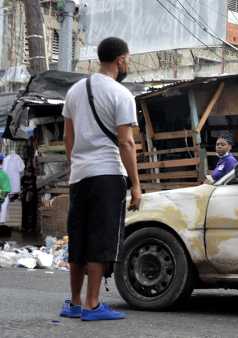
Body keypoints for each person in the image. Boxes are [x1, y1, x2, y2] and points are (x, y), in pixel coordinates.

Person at [60, 37, 141, 321]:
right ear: (120, 60)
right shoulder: (122, 95)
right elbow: (126, 143)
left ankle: (74, 302)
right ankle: (93, 305)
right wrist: (136, 185)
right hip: (107, 174)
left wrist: (77, 166)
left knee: (79, 238)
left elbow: (68, 138)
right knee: (101, 238)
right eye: (128, 59)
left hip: (79, 176)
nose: (128, 64)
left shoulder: (74, 91)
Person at [20, 166, 37, 233]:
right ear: (27, 171)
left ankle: (32, 228)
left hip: (33, 197)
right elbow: (19, 187)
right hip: (25, 196)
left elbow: (39, 187)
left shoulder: (35, 178)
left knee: (33, 213)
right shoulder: (23, 178)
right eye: (29, 171)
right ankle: (24, 227)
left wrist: (32, 189)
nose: (30, 173)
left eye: (31, 171)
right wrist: (23, 189)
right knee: (24, 212)